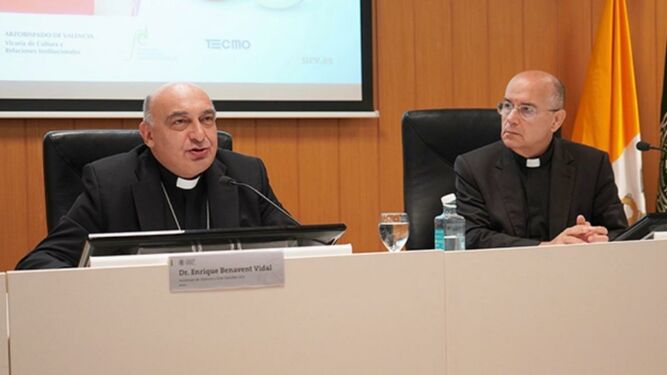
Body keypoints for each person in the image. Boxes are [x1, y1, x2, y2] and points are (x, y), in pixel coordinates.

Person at [17, 82, 295, 269]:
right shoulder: (111, 184)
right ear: (148, 135)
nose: (200, 136)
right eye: (180, 122)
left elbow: (302, 251)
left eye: (207, 119)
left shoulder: (246, 175)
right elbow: (41, 261)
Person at [454, 70, 628, 249]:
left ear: (556, 120)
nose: (510, 118)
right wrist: (545, 247)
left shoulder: (592, 164)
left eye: (526, 109)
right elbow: (471, 236)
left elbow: (619, 233)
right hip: (503, 273)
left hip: (573, 273)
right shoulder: (474, 167)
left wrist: (594, 239)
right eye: (507, 106)